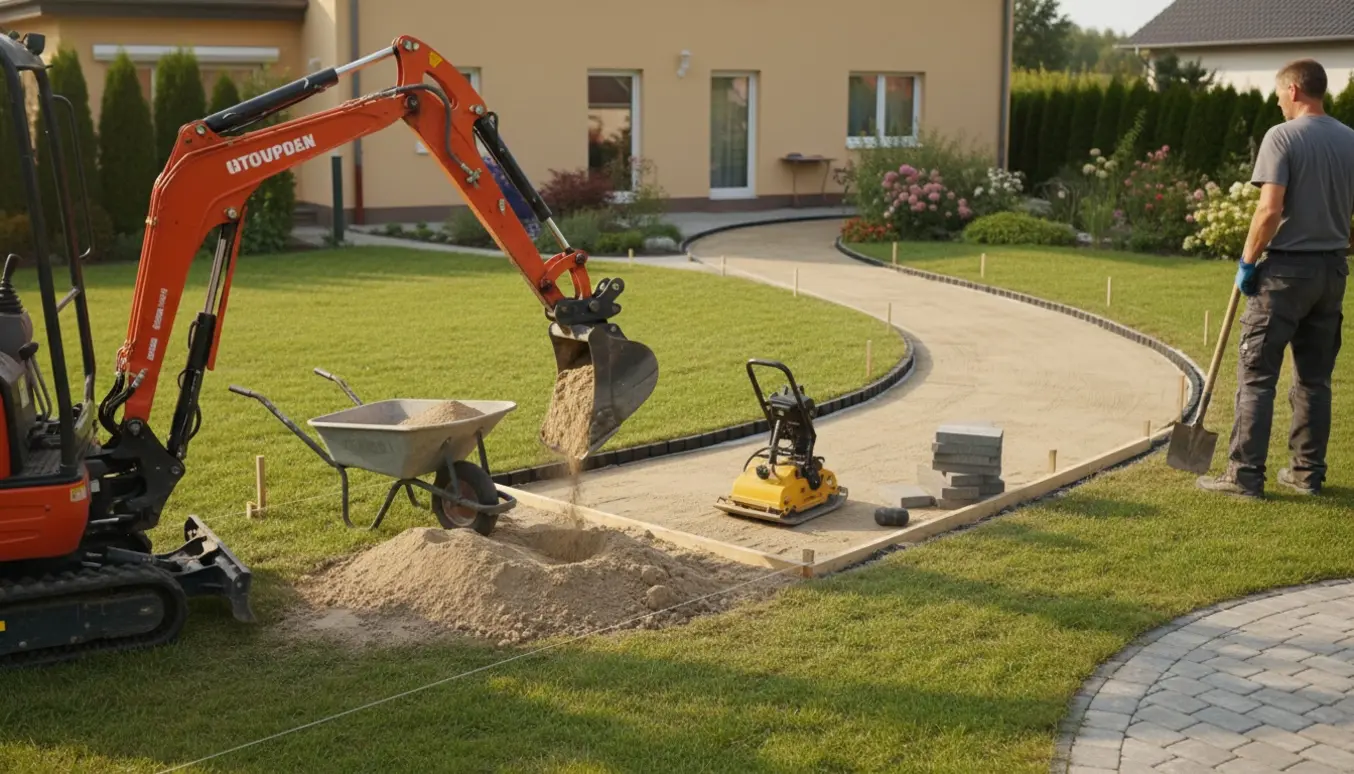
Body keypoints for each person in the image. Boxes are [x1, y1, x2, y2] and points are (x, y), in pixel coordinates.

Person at [1198, 59, 1354, 499]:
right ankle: (1307, 475)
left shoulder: (1281, 136)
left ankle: (1244, 476)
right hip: (1331, 273)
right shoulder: (1350, 140)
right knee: (1314, 379)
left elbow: (1269, 210)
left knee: (1256, 376)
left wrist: (1248, 262)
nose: (1278, 100)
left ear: (1295, 90)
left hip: (1285, 274)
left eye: (1280, 92)